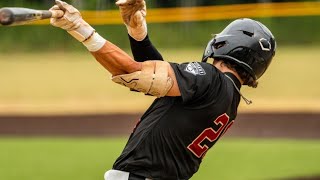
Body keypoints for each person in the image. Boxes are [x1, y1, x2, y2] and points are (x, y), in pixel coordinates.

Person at [49, 0, 276, 179]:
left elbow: (134, 74)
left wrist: (80, 29)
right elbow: (160, 83)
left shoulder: (210, 79)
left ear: (226, 43)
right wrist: (137, 32)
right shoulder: (228, 98)